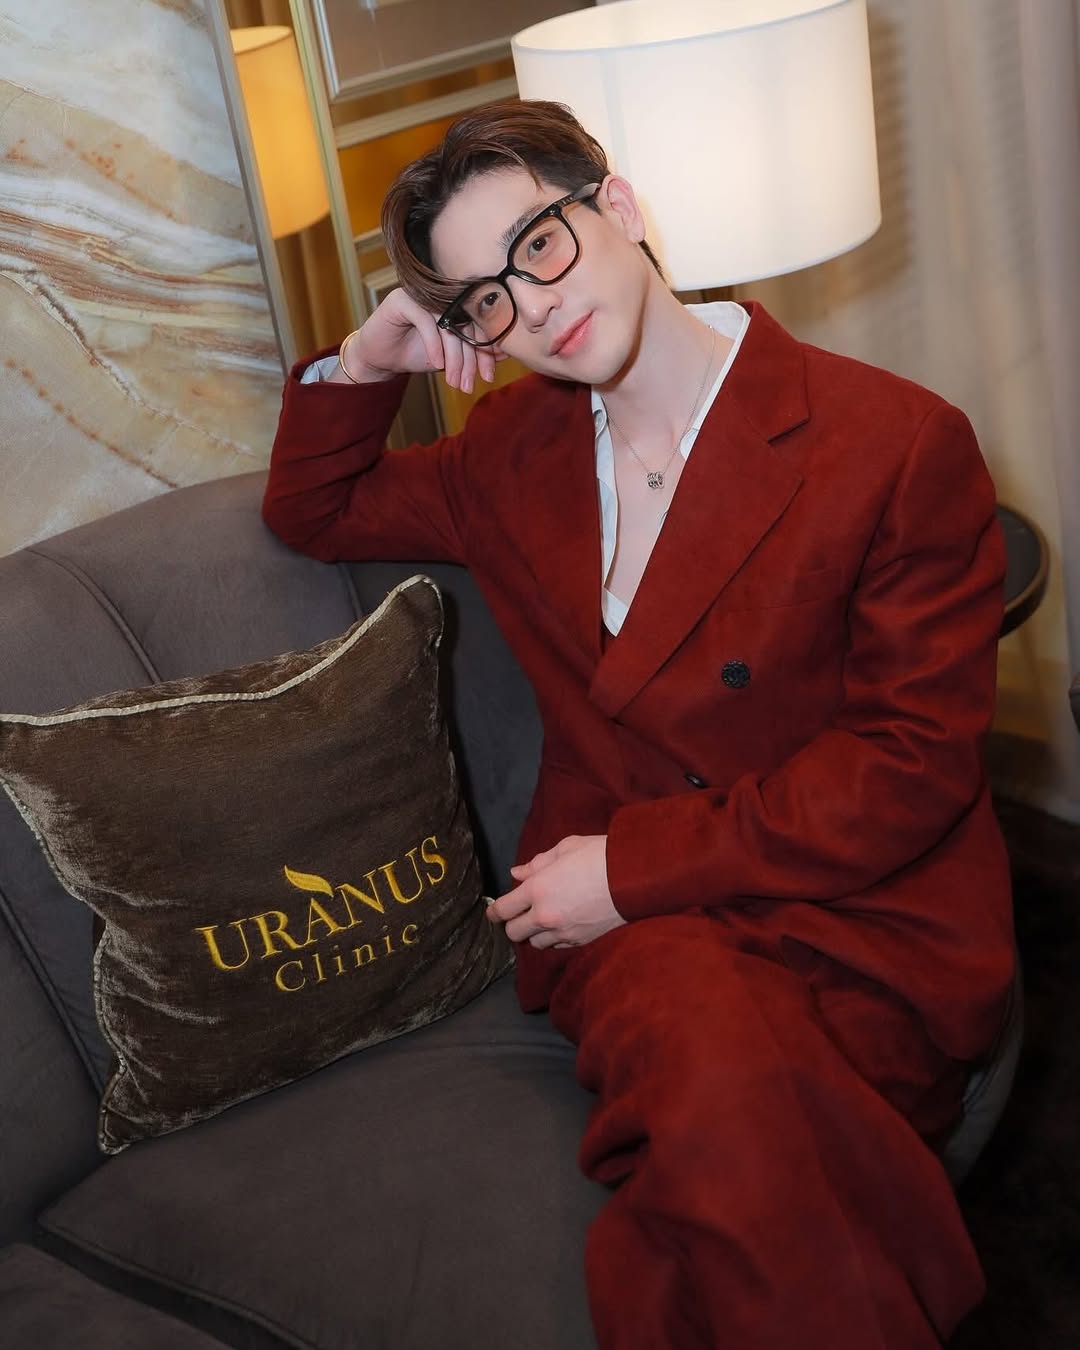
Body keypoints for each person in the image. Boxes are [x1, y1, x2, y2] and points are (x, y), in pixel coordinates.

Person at [263, 98, 1014, 1350]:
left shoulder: (891, 441)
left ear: (616, 207)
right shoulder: (508, 452)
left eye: (539, 245)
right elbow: (316, 512)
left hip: (853, 912)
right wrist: (369, 359)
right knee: (713, 1064)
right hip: (639, 933)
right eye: (484, 302)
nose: (532, 306)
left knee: (716, 1183)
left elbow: (907, 767)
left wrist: (629, 870)